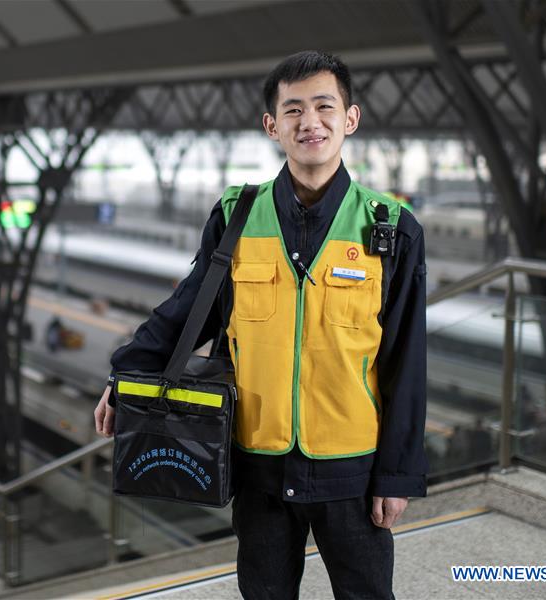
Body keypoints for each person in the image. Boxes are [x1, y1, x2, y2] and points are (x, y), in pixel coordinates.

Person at [94, 51, 428, 599]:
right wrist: (124, 375)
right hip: (258, 466)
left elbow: (406, 362)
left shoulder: (391, 229)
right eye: (293, 110)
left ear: (350, 118)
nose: (309, 121)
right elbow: (188, 311)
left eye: (324, 106)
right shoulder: (237, 217)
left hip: (351, 469)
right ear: (272, 126)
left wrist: (397, 475)